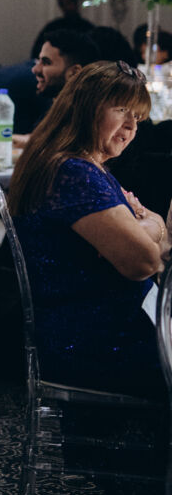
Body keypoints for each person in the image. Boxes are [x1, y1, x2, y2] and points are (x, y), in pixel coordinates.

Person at [9, 61, 168, 397]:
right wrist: (151, 226)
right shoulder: (74, 174)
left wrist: (144, 227)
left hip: (105, 327)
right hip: (99, 342)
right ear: (87, 109)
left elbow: (154, 241)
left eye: (137, 116)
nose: (131, 126)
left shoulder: (80, 163)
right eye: (121, 110)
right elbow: (145, 261)